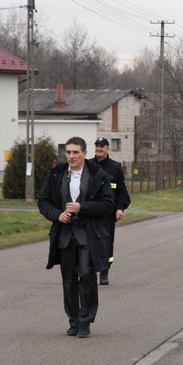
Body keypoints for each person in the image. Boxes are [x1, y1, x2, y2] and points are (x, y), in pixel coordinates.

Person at [37, 137, 115, 338]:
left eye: (75, 152)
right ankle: (73, 320)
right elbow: (43, 201)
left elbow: (108, 204)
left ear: (84, 154)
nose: (71, 156)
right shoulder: (57, 174)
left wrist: (83, 207)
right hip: (65, 235)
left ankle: (85, 321)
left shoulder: (98, 175)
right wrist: (57, 215)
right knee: (69, 280)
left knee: (86, 275)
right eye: (68, 152)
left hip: (89, 235)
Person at [91, 137, 131, 285]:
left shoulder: (115, 167)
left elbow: (122, 191)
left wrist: (120, 208)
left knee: (106, 243)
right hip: (91, 213)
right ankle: (89, 270)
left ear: (108, 149)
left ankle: (104, 271)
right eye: (97, 146)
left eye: (102, 147)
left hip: (108, 214)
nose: (99, 149)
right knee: (89, 242)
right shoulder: (88, 165)